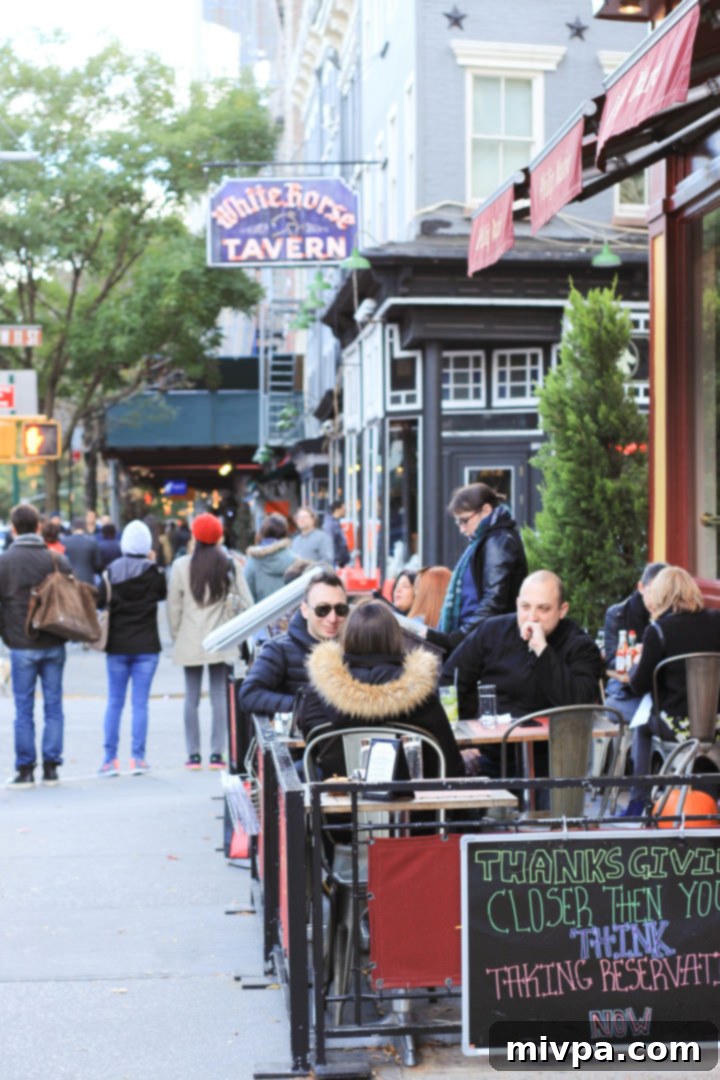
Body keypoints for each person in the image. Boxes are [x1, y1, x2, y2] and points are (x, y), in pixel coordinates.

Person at [442, 570, 603, 776]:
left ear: (562, 610)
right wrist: (463, 743)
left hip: (554, 759)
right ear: (517, 604)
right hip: (491, 754)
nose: (532, 617)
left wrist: (542, 650)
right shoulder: (492, 631)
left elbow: (579, 705)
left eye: (543, 609)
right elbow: (450, 681)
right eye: (525, 607)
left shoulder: (580, 646)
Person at [298, 600, 465, 779]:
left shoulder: (318, 692)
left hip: (338, 792)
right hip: (411, 794)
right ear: (396, 637)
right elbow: (450, 765)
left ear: (346, 636)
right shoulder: (421, 694)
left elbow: (312, 749)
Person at [625, 566, 720, 816]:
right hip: (716, 723)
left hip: (677, 726)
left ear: (660, 595)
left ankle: (638, 800)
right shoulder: (717, 620)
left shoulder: (658, 631)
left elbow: (639, 685)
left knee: (641, 726)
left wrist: (636, 665)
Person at [168, 513, 253, 770]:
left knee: (191, 697)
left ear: (195, 536)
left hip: (190, 638)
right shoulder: (229, 565)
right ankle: (218, 754)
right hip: (221, 639)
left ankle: (193, 755)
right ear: (218, 537)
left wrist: (177, 636)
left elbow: (174, 608)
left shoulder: (181, 566)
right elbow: (247, 603)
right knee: (219, 697)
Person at [0, 503, 72, 786]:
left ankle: (25, 768)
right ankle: (51, 766)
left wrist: (7, 635)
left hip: (21, 644)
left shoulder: (5, 562)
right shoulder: (56, 560)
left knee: (23, 708)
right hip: (54, 640)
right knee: (54, 705)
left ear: (14, 529)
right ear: (39, 527)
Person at [96, 520, 167, 776]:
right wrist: (153, 562)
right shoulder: (154, 573)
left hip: (117, 645)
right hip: (147, 646)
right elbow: (162, 594)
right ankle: (138, 758)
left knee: (114, 702)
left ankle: (109, 759)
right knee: (140, 704)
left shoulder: (111, 572)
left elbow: (99, 600)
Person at [428, 484, 527, 653]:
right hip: (479, 639)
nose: (462, 529)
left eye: (465, 520)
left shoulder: (498, 541)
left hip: (486, 643)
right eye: (458, 522)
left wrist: (459, 636)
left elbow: (493, 602)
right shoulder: (487, 540)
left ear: (486, 510)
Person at [238, 569, 349, 717]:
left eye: (341, 609)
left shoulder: (357, 646)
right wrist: (303, 706)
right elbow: (249, 694)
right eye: (322, 610)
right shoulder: (279, 649)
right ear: (305, 610)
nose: (332, 618)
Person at [244, 513, 295, 603]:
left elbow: (247, 593)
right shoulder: (293, 559)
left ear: (263, 532)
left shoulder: (254, 560)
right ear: (285, 533)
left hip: (262, 610)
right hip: (289, 609)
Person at [63, 516, 102, 584]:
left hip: (70, 581)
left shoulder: (64, 542)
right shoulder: (92, 541)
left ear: (72, 528)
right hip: (88, 580)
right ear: (85, 527)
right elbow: (98, 564)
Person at [323, 499, 350, 568]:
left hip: (338, 559)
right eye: (343, 508)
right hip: (334, 560)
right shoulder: (330, 523)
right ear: (337, 509)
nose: (345, 511)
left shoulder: (335, 522)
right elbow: (329, 542)